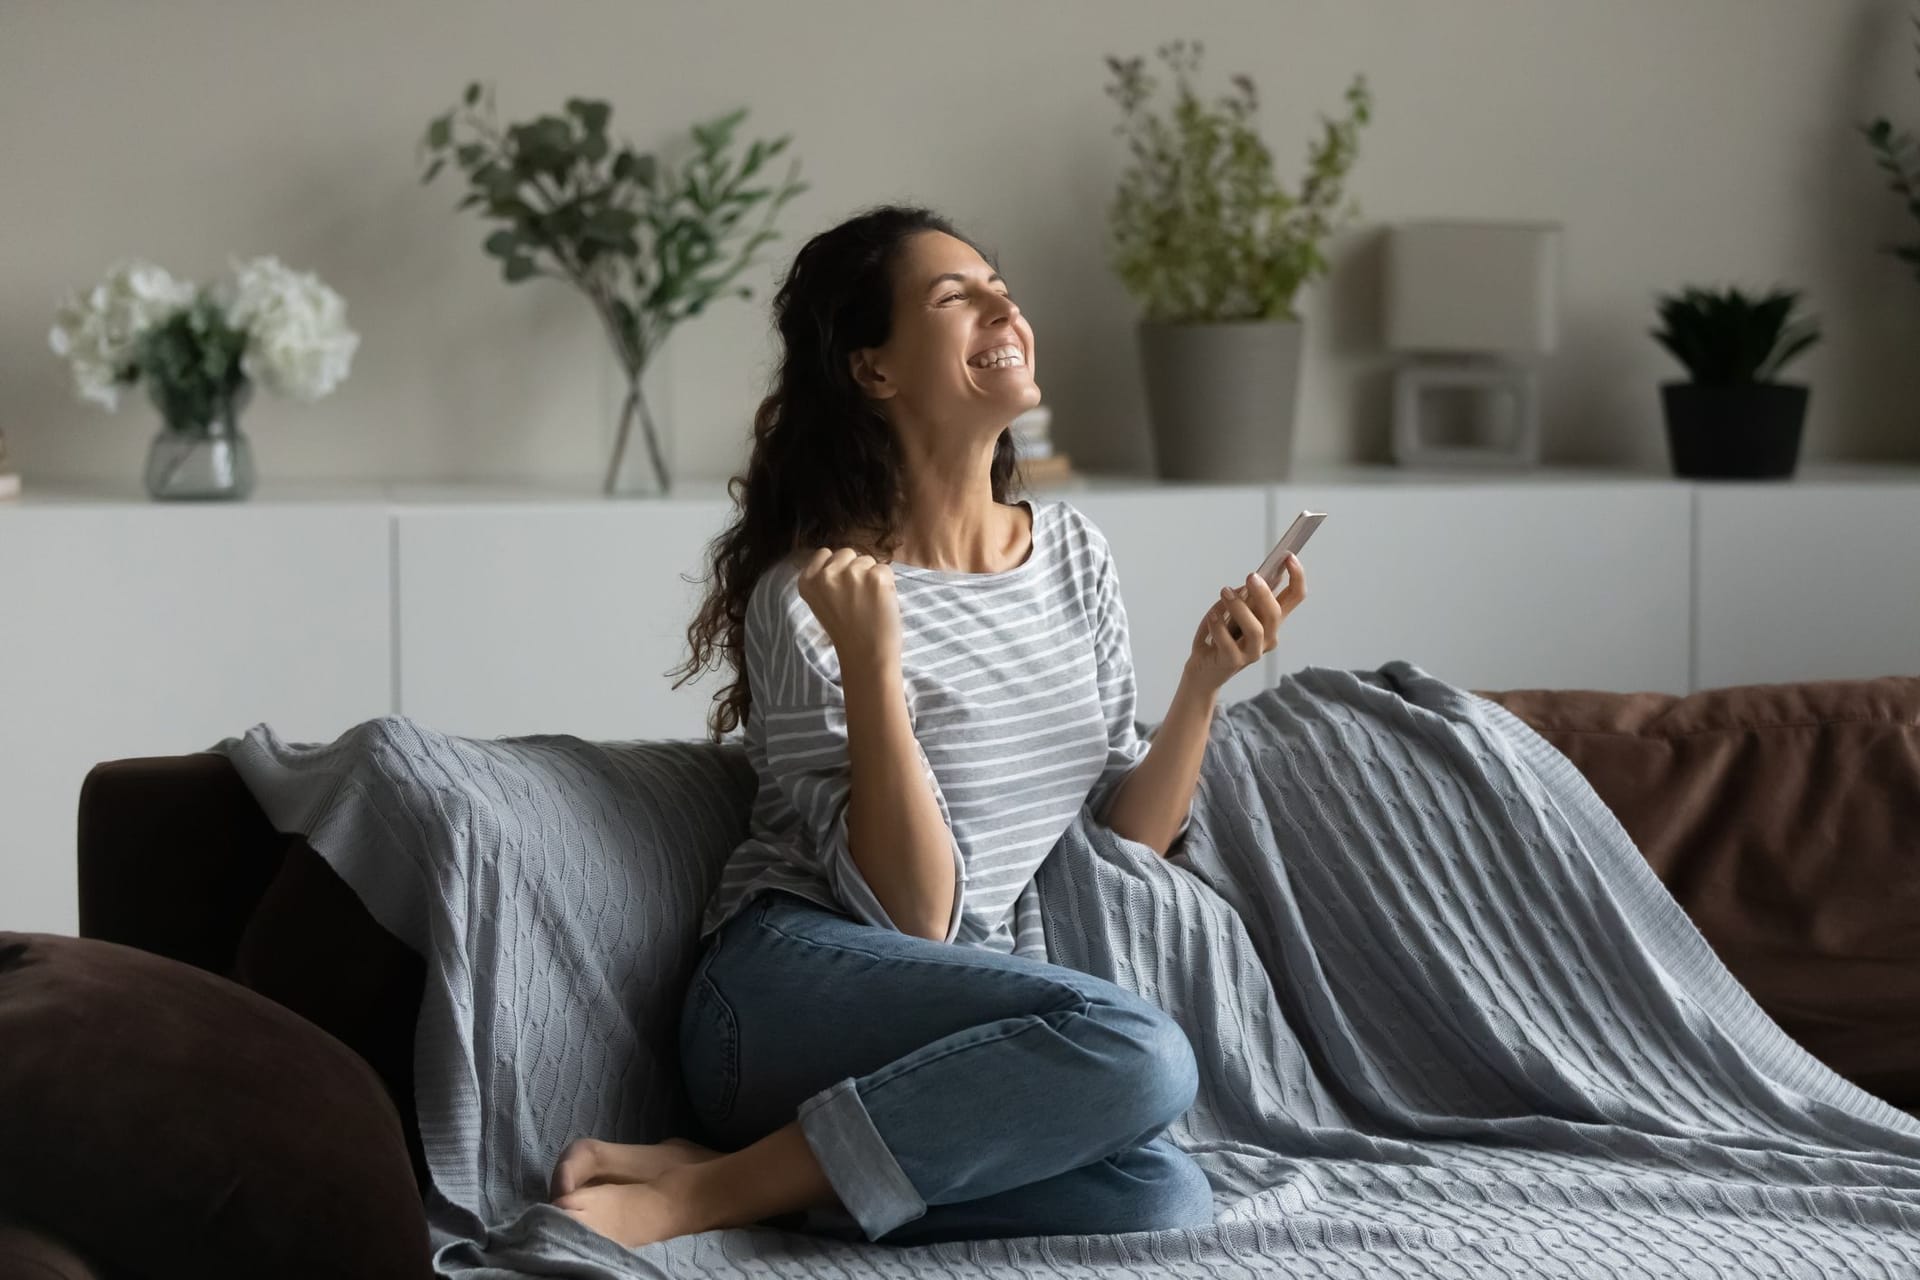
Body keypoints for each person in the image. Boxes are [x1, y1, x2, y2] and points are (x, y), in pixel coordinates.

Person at [545, 204, 1306, 1250]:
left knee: (1159, 1193)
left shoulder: (1074, 555)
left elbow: (1125, 839)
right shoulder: (816, 592)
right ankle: (701, 1197)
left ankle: (759, 1172)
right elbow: (910, 918)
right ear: (873, 370)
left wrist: (1201, 686)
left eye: (1001, 284)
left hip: (950, 1020)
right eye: (957, 296)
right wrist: (872, 664)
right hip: (783, 995)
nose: (1006, 304)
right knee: (1142, 1050)